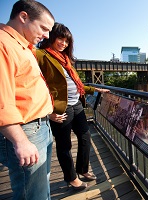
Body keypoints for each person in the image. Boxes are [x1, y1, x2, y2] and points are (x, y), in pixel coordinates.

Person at [36, 22, 110, 190]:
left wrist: (94, 89)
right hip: (61, 109)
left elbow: (75, 84)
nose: (63, 43)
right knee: (64, 146)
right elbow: (35, 87)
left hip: (76, 104)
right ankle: (71, 178)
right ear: (51, 37)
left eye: (67, 41)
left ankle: (82, 169)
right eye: (60, 39)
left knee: (85, 137)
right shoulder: (40, 55)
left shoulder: (66, 59)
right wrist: (48, 112)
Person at [0, 0, 55, 199]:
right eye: (43, 28)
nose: (47, 35)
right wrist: (20, 141)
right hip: (25, 131)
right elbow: (1, 102)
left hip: (40, 127)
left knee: (41, 186)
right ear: (23, 17)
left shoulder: (22, 45)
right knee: (32, 193)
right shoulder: (3, 44)